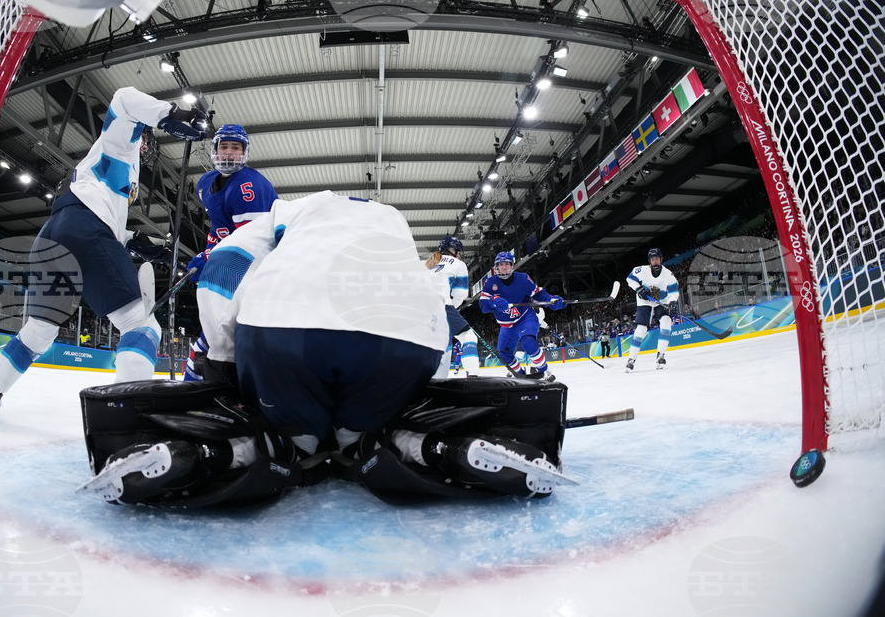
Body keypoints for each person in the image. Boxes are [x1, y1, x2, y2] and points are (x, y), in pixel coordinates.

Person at [77, 193, 572, 506]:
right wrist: (426, 393)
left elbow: (221, 271)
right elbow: (433, 316)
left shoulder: (284, 213)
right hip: (405, 335)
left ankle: (199, 454)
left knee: (292, 445)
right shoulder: (392, 222)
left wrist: (224, 363)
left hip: (287, 324)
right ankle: (449, 448)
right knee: (370, 437)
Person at [0, 87, 207, 417]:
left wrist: (144, 246)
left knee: (39, 332)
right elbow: (123, 98)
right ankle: (129, 415)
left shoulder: (106, 173)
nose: (147, 144)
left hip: (53, 237)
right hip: (83, 230)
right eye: (148, 138)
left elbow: (103, 220)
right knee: (141, 327)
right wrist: (171, 114)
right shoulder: (120, 146)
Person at [182, 124, 278, 381]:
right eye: (224, 146)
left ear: (245, 153)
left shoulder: (250, 187)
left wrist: (210, 259)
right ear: (214, 150)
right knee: (215, 328)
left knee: (227, 329)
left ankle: (211, 382)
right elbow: (220, 229)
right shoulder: (205, 183)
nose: (229, 152)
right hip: (231, 262)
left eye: (236, 148)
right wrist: (209, 251)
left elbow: (250, 244)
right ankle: (201, 382)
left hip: (260, 267)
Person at [478, 251, 565, 379]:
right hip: (506, 325)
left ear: (512, 265)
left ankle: (546, 371)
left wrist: (551, 301)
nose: (503, 267)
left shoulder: (523, 279)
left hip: (525, 317)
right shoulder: (490, 283)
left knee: (528, 343)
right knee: (504, 353)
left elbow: (538, 294)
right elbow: (483, 306)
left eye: (506, 264)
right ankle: (520, 374)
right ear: (496, 267)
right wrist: (493, 301)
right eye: (500, 264)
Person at [424, 235, 480, 377]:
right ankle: (472, 375)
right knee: (468, 337)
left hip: (418, 308)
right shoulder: (458, 264)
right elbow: (460, 294)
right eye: (457, 250)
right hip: (441, 305)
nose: (459, 254)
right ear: (449, 249)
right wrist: (452, 307)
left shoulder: (429, 261)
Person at [625, 247, 679, 372]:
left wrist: (673, 302)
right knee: (641, 329)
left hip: (661, 301)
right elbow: (630, 279)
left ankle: (661, 355)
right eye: (652, 259)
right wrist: (638, 289)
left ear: (661, 260)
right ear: (650, 261)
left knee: (666, 322)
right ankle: (631, 359)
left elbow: (673, 291)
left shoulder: (668, 274)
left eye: (657, 259)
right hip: (645, 301)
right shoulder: (642, 271)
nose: (655, 261)